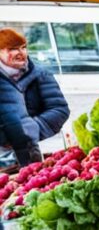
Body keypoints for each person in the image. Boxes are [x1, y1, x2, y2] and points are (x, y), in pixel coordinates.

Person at [0, 28, 68, 168]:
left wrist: (32, 128)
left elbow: (59, 109)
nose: (20, 53)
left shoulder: (41, 75)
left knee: (29, 186)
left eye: (23, 48)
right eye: (12, 49)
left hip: (29, 157)